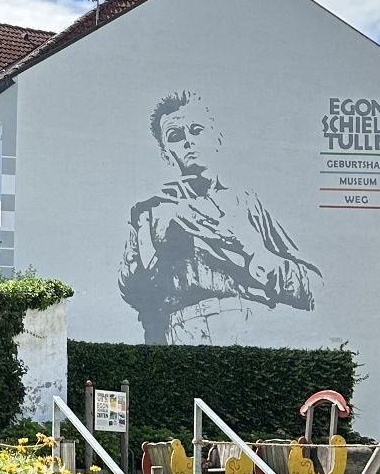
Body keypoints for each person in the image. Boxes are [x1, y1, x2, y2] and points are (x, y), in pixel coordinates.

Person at [118, 90, 320, 345]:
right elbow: (133, 291)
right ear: (166, 152)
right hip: (183, 335)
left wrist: (255, 252)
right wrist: (148, 242)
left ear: (217, 136)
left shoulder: (247, 202)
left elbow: (313, 288)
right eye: (176, 136)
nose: (188, 141)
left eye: (197, 130)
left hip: (253, 330)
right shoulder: (153, 210)